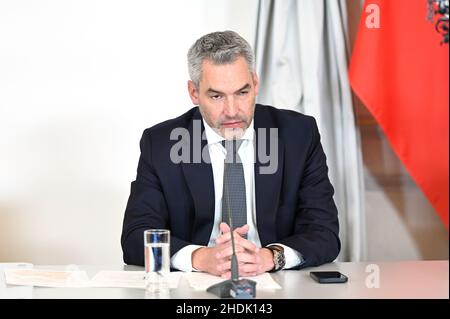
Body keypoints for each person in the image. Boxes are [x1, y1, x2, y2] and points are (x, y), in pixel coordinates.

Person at [121, 30, 340, 278]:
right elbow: (135, 236)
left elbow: (324, 232)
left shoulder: (298, 135)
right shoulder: (161, 143)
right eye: (216, 96)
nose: (232, 111)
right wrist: (200, 257)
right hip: (195, 285)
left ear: (255, 84)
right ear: (194, 93)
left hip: (277, 282)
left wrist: (270, 257)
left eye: (242, 93)